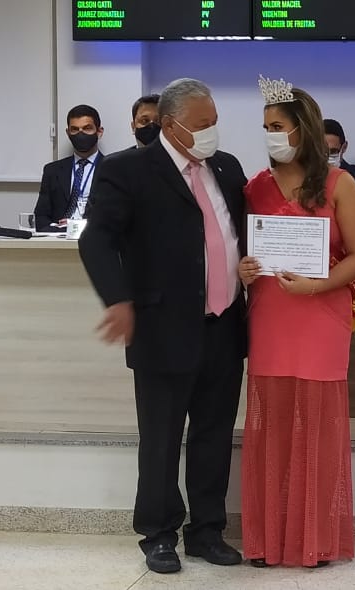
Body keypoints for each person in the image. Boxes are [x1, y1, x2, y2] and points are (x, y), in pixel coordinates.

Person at [77, 78, 248, 574]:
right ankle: (158, 533)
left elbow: (236, 231)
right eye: (202, 124)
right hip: (161, 327)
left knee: (214, 434)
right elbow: (96, 240)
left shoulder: (226, 167)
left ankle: (207, 530)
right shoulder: (128, 169)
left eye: (215, 121)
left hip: (224, 325)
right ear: (171, 126)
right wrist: (118, 299)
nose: (211, 131)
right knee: (161, 438)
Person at [236, 77, 355, 569]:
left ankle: (315, 541)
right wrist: (243, 268)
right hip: (270, 313)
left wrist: (317, 285)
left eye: (278, 127)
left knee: (318, 426)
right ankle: (267, 541)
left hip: (321, 313)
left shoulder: (340, 184)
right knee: (270, 424)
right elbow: (246, 248)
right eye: (266, 127)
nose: (270, 135)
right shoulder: (255, 186)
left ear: (303, 129)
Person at [34, 104, 107, 232]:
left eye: (87, 128)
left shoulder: (113, 169)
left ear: (99, 132)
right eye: (75, 129)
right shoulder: (52, 171)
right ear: (68, 133)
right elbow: (40, 217)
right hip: (58, 238)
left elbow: (116, 216)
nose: (81, 134)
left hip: (95, 236)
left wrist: (78, 225)